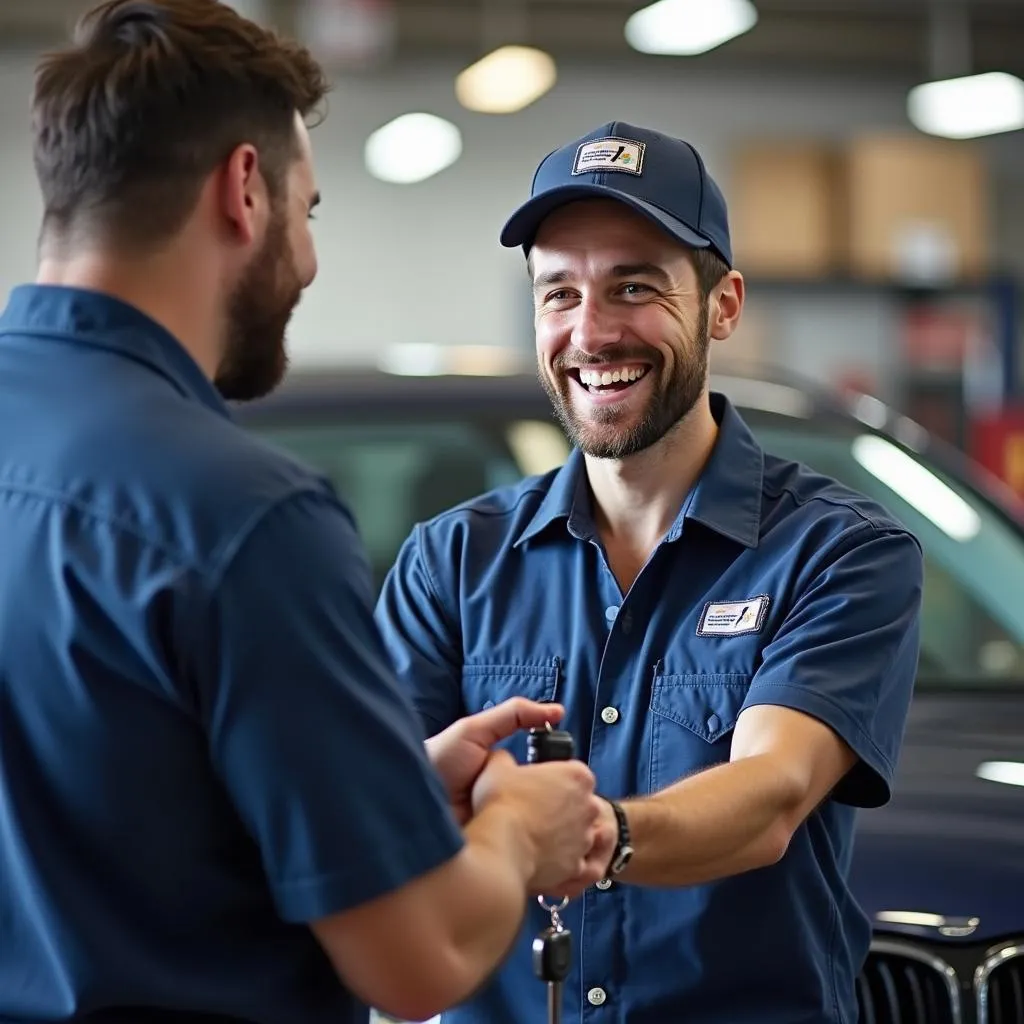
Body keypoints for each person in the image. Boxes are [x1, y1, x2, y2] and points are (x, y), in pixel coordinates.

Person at [0, 3, 615, 1022]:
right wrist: (516, 825)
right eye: (310, 209)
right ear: (244, 189)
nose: (310, 259)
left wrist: (383, 793)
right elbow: (416, 961)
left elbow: (112, 804)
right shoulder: (242, 516)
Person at [375, 121, 925, 1024]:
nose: (590, 332)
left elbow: (771, 795)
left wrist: (590, 834)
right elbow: (375, 831)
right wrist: (408, 793)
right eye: (559, 294)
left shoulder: (840, 552)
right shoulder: (450, 563)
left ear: (724, 306)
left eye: (634, 287)